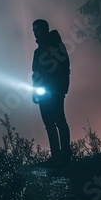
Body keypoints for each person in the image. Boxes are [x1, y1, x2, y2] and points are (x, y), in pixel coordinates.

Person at [31, 19, 71, 165]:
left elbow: (65, 68)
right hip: (43, 93)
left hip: (55, 91)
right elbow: (35, 74)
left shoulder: (57, 46)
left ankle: (65, 155)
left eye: (37, 29)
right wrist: (35, 92)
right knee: (49, 123)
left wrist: (61, 89)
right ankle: (56, 156)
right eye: (34, 30)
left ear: (44, 29)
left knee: (59, 121)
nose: (35, 32)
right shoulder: (37, 52)